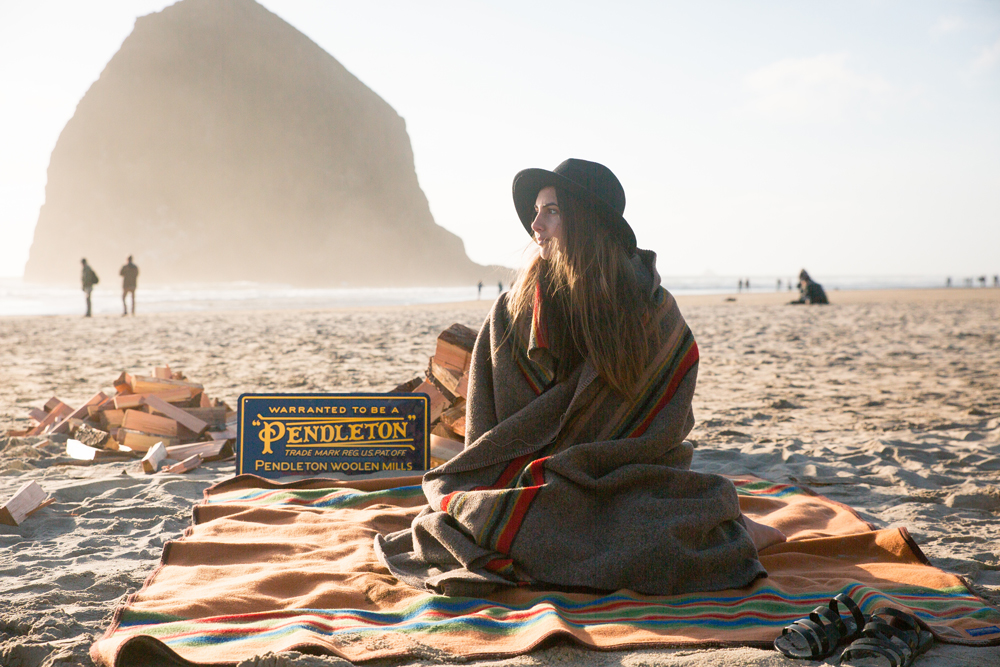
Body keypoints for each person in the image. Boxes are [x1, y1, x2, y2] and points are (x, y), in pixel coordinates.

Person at [377, 159, 782, 597]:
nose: (535, 224)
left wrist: (592, 465)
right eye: (536, 211)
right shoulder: (512, 312)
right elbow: (487, 433)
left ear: (586, 220)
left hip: (629, 480)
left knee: (659, 523)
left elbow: (665, 420)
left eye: (551, 210)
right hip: (531, 482)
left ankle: (735, 529)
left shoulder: (652, 313)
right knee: (483, 516)